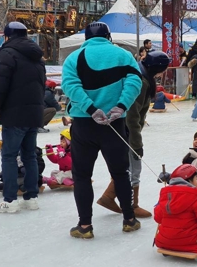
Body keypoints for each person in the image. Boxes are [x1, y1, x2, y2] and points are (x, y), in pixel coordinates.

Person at [61, 22, 143, 238]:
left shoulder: (74, 58)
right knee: (120, 174)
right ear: (109, 36)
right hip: (114, 124)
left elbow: (70, 86)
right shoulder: (123, 55)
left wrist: (90, 108)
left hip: (84, 124)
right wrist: (122, 106)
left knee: (82, 176)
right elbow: (135, 81)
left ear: (86, 37)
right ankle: (129, 219)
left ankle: (85, 226)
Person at [96, 50, 170, 218]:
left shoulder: (139, 73)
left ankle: (108, 197)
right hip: (125, 130)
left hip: (121, 127)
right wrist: (136, 143)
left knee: (125, 167)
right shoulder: (141, 81)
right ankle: (132, 205)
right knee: (133, 168)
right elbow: (132, 115)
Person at [0, 22, 45, 211]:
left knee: (9, 155)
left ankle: (10, 200)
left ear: (7, 36)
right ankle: (31, 197)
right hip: (33, 113)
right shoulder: (37, 56)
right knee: (29, 155)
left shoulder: (7, 53)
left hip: (14, 114)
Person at [154, 164, 197, 256]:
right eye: (196, 179)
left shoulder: (165, 197)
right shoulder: (196, 199)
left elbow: (158, 218)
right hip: (193, 243)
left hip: (164, 242)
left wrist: (159, 205)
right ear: (189, 181)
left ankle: (171, 245)